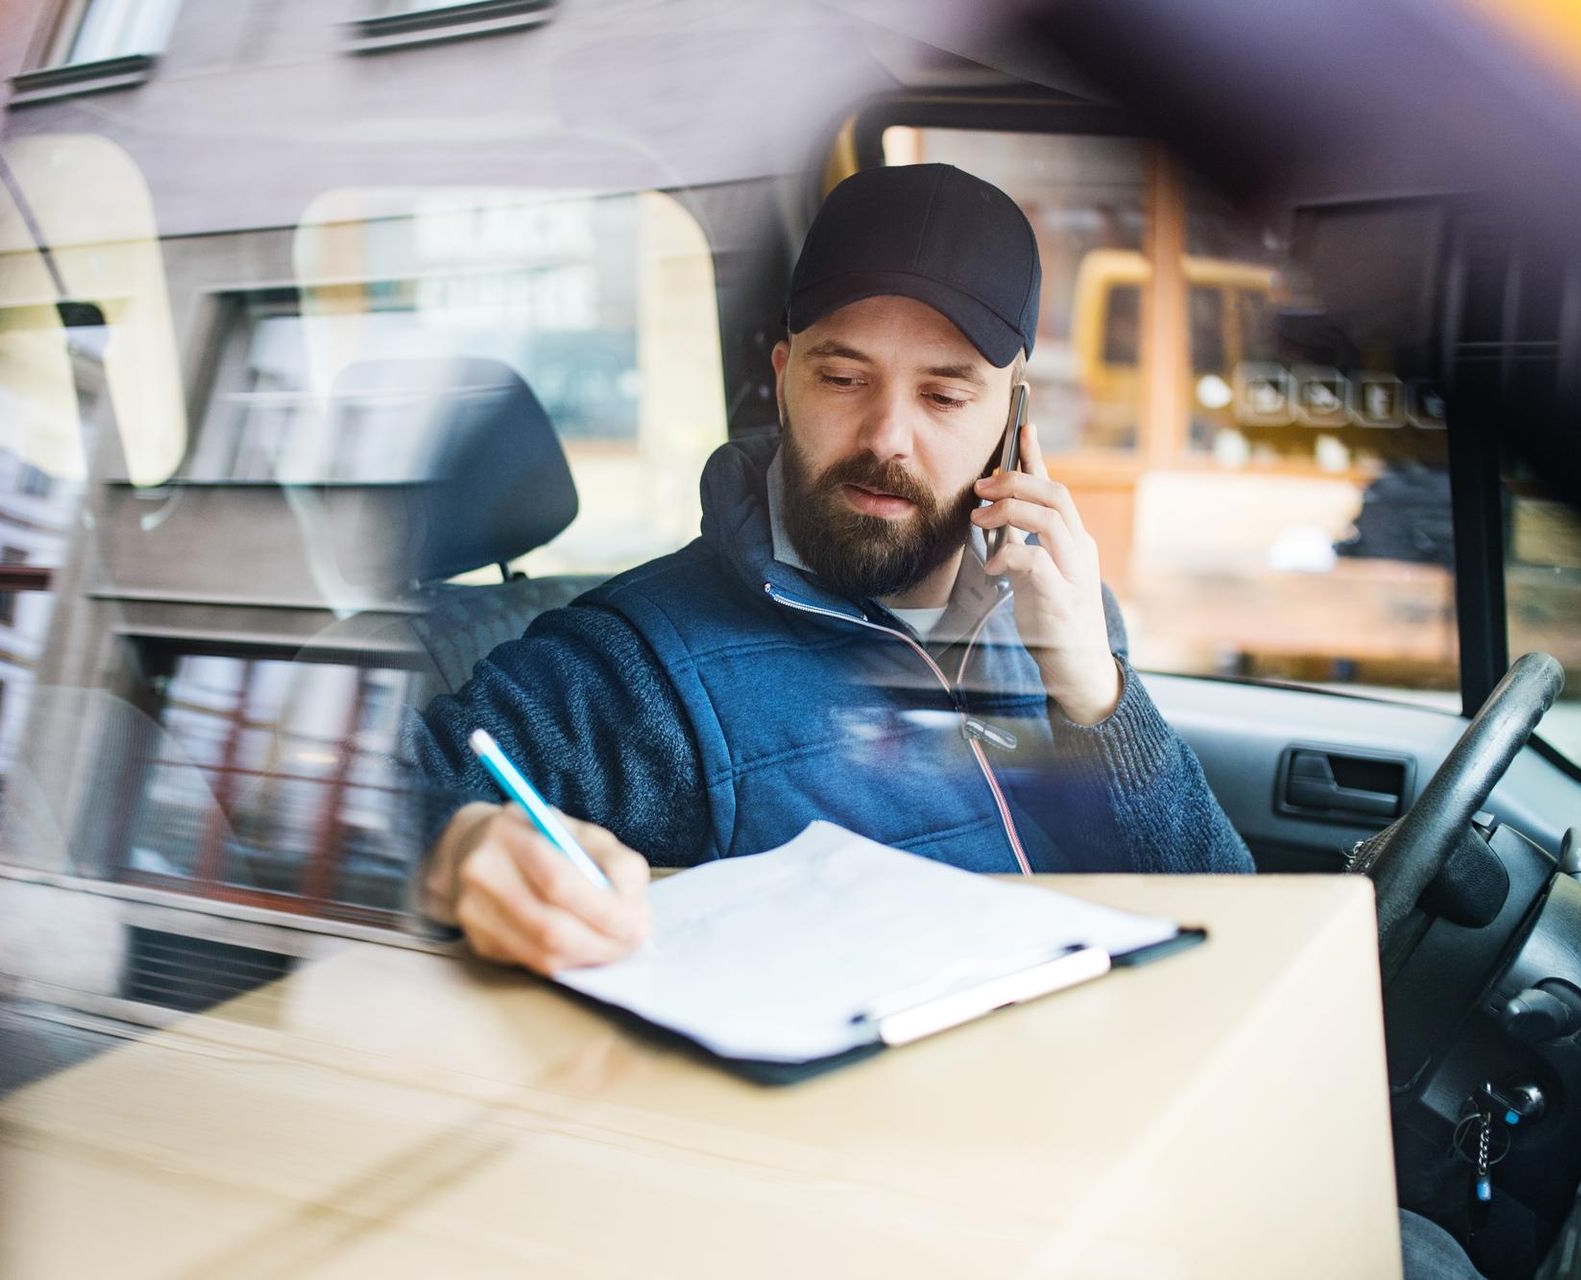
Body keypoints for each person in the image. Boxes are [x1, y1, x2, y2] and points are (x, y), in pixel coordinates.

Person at [405, 162, 1251, 972]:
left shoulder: (1061, 614)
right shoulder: (641, 665)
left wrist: (1096, 694)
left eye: (944, 397)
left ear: (1013, 417)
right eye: (844, 378)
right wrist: (455, 849)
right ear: (784, 381)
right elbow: (359, 803)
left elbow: (1233, 926)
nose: (887, 437)